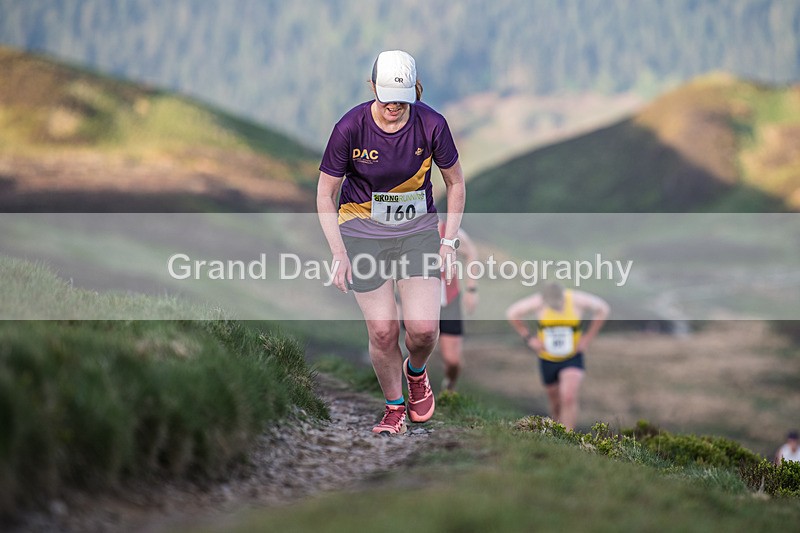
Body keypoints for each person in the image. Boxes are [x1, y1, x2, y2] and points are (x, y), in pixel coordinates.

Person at [317, 50, 466, 435]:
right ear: (373, 89)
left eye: (401, 100)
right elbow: (324, 194)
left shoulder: (432, 124)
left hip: (416, 233)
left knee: (423, 331)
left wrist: (448, 242)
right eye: (386, 99)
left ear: (415, 91)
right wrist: (337, 252)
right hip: (361, 233)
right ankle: (394, 407)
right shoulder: (349, 127)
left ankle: (416, 372)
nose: (393, 107)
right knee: (383, 331)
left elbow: (456, 182)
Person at [506, 282, 609, 430]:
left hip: (572, 357)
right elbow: (512, 313)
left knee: (568, 396)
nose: (555, 307)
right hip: (548, 359)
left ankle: (568, 438)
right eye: (551, 305)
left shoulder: (577, 300)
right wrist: (529, 338)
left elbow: (603, 309)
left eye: (558, 304)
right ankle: (557, 435)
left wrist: (587, 338)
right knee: (556, 403)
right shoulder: (538, 301)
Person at [438, 221, 478, 392]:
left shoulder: (446, 229)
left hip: (448, 300)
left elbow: (471, 253)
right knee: (416, 346)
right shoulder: (402, 225)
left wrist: (471, 289)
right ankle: (413, 391)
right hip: (412, 297)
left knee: (453, 360)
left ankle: (449, 387)